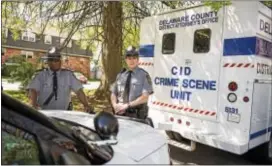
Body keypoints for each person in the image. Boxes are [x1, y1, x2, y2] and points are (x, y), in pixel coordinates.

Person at [27, 46, 92, 112]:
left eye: (56, 60)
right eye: (51, 60)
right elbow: (33, 90)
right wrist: (33, 104)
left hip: (64, 114)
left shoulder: (68, 75)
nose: (53, 62)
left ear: (60, 61)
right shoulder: (41, 75)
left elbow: (79, 91)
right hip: (44, 113)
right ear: (47, 61)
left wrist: (86, 105)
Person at [110, 46, 153, 119]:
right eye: (129, 58)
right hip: (119, 115)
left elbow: (145, 97)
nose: (131, 61)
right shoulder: (120, 75)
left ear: (138, 60)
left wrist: (127, 106)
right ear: (126, 60)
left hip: (136, 117)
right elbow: (113, 93)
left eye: (134, 58)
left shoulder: (144, 75)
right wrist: (115, 105)